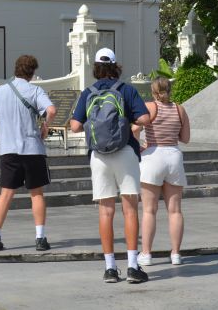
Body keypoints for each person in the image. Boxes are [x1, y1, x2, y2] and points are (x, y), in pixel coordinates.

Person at [70, 47, 152, 284]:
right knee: (130, 209)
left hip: (99, 156)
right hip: (125, 151)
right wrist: (130, 124)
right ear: (116, 66)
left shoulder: (88, 93)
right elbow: (145, 118)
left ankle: (109, 268)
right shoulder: (126, 90)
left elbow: (75, 126)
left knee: (105, 211)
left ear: (95, 67)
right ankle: (133, 266)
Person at [0, 55, 57, 252]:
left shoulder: (1, 91)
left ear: (16, 69)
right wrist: (45, 126)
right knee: (36, 194)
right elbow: (51, 110)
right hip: (32, 149)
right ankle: (40, 238)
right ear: (32, 72)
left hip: (8, 150)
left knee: (5, 195)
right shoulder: (35, 90)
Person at [135, 77, 190, 267]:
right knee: (175, 210)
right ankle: (175, 254)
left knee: (149, 210)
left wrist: (139, 145)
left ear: (153, 91)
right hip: (173, 156)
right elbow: (185, 138)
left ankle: (146, 254)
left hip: (152, 156)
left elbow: (134, 128)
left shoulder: (149, 107)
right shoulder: (179, 108)